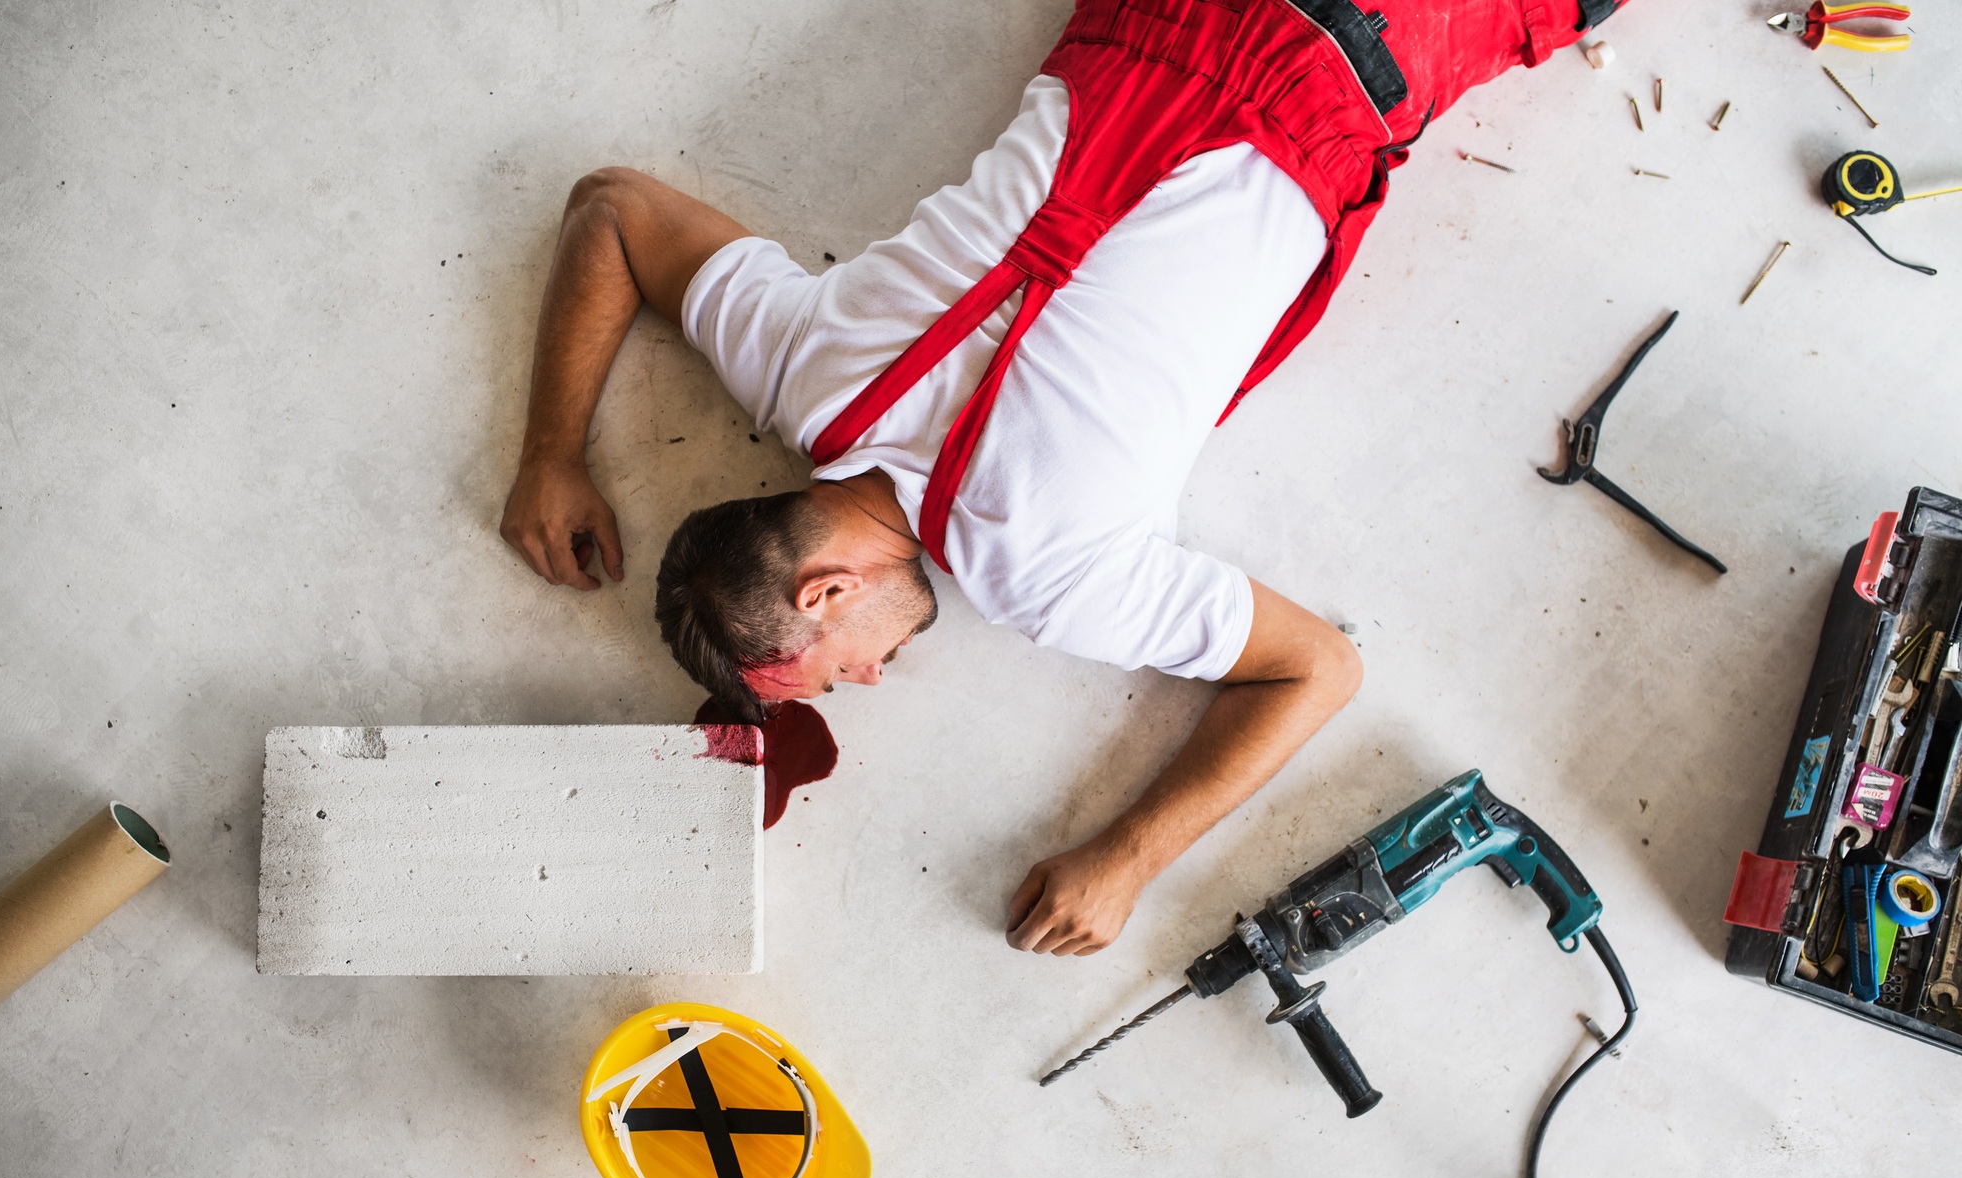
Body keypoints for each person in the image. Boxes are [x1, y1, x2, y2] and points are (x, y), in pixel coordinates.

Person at [499, 0, 1621, 958]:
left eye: (838, 674)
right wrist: (551, 452)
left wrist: (1127, 857)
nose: (876, 677)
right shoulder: (802, 368)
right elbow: (613, 208)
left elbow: (1316, 670)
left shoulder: (1048, 577)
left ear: (822, 594)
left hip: (1346, 64)